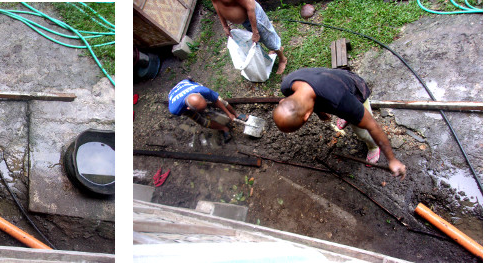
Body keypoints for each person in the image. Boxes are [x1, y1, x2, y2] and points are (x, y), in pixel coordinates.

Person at [272, 68, 407, 178]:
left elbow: (373, 126)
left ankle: (373, 147)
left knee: (363, 132)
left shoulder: (341, 100)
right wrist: (321, 112)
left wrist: (392, 159)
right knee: (348, 112)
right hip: (332, 81)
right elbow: (310, 98)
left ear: (306, 116)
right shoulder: (287, 85)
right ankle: (349, 117)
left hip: (353, 90)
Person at [211, 0, 288, 75]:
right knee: (262, 39)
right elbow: (216, 4)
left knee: (269, 39)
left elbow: (250, 7)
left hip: (255, 17)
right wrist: (225, 26)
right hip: (246, 21)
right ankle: (274, 49)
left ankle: (282, 59)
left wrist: (255, 32)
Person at [168, 79, 240, 143]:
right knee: (203, 122)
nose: (205, 110)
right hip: (175, 97)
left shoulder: (203, 90)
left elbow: (217, 101)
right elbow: (188, 113)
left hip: (186, 84)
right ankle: (224, 128)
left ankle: (237, 115)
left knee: (221, 101)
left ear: (199, 94)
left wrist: (229, 114)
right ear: (188, 108)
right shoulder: (176, 109)